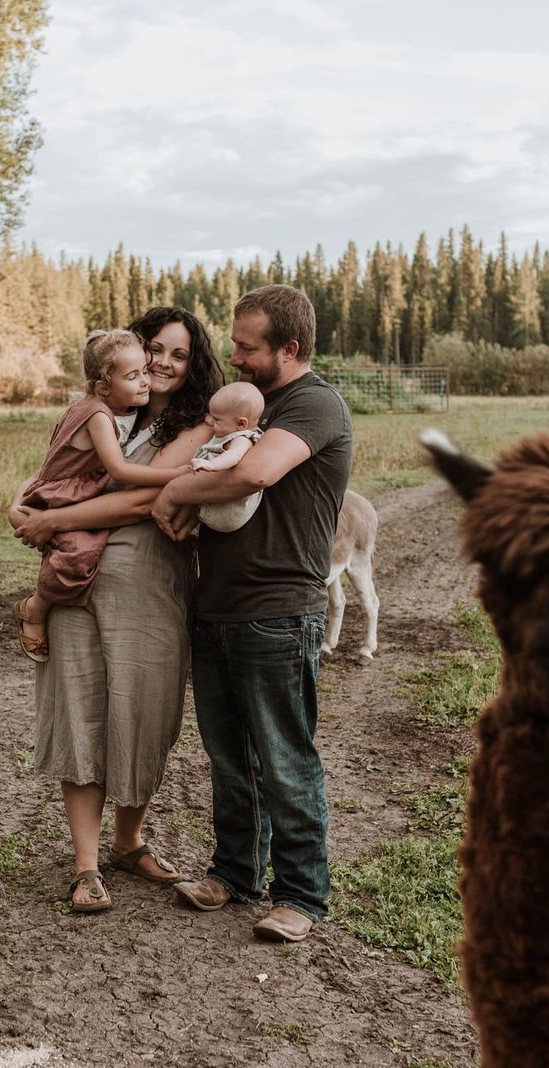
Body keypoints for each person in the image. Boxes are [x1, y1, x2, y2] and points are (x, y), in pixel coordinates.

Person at [151, 284, 352, 943]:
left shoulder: (313, 404)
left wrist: (180, 489)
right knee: (229, 757)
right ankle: (235, 872)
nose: (233, 356)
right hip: (217, 607)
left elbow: (254, 474)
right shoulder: (245, 406)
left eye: (247, 347)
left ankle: (300, 893)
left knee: (283, 759)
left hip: (278, 611)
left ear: (288, 350)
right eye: (233, 343)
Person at [8, 307, 224, 913]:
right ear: (127, 353)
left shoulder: (195, 427)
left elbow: (137, 501)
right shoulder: (105, 413)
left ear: (193, 366)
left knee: (143, 708)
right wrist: (22, 503)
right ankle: (84, 865)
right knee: (80, 704)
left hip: (149, 584)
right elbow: (52, 471)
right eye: (154, 348)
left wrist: (52, 520)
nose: (162, 363)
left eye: (178, 355)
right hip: (79, 578)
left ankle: (128, 842)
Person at [12, 329, 187, 663]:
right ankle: (35, 607)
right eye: (133, 376)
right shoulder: (97, 415)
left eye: (144, 373)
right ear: (105, 386)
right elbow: (119, 470)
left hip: (68, 491)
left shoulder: (99, 408)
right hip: (62, 494)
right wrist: (174, 475)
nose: (145, 382)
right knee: (78, 552)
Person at [189, 381, 266, 533]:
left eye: (217, 419)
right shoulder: (230, 431)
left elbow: (234, 455)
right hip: (212, 501)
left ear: (241, 423)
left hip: (228, 512)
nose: (211, 422)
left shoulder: (242, 438)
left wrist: (212, 465)